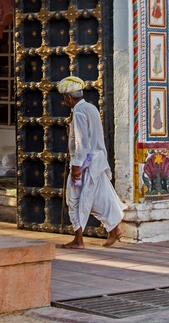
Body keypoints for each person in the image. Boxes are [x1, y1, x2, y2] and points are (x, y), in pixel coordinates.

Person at [59, 76, 124, 250]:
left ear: (69, 97)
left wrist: (76, 167)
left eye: (65, 98)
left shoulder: (79, 112)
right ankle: (114, 229)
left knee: (73, 199)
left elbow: (82, 142)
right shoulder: (91, 108)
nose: (65, 102)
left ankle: (78, 240)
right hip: (97, 161)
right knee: (99, 197)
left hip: (85, 163)